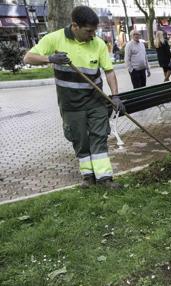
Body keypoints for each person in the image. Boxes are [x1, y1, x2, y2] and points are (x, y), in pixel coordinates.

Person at [23, 5, 123, 189]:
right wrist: (51, 59)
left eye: (95, 31)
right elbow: (28, 58)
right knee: (80, 140)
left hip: (96, 101)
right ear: (75, 26)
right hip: (71, 105)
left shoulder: (98, 44)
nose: (93, 35)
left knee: (99, 137)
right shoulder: (55, 38)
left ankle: (105, 179)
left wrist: (115, 96)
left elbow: (109, 72)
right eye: (89, 31)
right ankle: (88, 177)